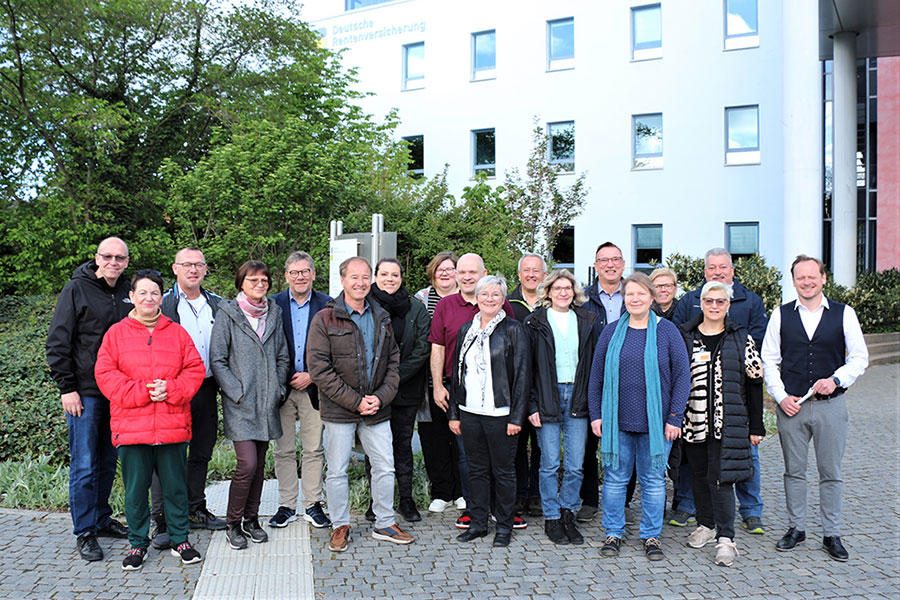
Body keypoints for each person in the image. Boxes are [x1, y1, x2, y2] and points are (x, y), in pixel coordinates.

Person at [95, 270, 207, 570]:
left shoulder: (177, 332)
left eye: (154, 293)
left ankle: (180, 539)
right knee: (135, 491)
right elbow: (105, 375)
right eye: (142, 293)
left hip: (172, 426)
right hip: (132, 428)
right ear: (131, 297)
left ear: (162, 297)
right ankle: (137, 544)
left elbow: (195, 370)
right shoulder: (116, 334)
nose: (148, 298)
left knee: (175, 488)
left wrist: (170, 389)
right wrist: (144, 392)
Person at [762, 255, 868, 562]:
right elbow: (769, 359)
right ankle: (796, 528)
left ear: (823, 278)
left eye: (812, 276)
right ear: (793, 281)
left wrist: (836, 379)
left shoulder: (844, 314)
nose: (806, 282)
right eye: (800, 277)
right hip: (791, 406)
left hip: (831, 407)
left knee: (830, 472)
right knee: (794, 472)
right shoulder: (780, 315)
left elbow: (860, 358)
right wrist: (781, 396)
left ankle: (831, 533)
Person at [307, 257, 410, 552]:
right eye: (355, 277)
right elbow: (319, 369)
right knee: (337, 470)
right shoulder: (324, 319)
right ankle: (340, 525)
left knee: (385, 467)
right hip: (339, 410)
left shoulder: (382, 316)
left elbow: (393, 362)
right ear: (342, 280)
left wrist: (380, 397)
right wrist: (355, 402)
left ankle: (385, 523)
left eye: (366, 277)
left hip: (378, 408)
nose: (361, 283)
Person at [588, 273, 690, 561]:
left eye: (641, 294)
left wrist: (674, 417)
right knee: (615, 480)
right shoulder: (610, 332)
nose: (635, 299)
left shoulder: (667, 331)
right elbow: (596, 377)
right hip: (617, 422)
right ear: (624, 298)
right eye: (629, 294)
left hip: (657, 424)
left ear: (652, 297)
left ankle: (651, 536)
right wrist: (596, 415)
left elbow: (683, 376)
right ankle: (613, 532)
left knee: (654, 481)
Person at [46, 237, 133, 562]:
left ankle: (101, 518)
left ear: (126, 261)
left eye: (119, 257)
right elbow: (58, 342)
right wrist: (67, 388)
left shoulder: (129, 291)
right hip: (84, 393)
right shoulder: (76, 289)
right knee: (84, 464)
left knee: (109, 462)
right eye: (107, 256)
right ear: (97, 258)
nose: (113, 262)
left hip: (119, 393)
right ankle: (85, 532)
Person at [671, 248, 768, 534]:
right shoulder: (689, 313)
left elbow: (755, 372)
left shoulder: (749, 305)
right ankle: (702, 520)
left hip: (733, 411)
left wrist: (757, 422)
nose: (717, 271)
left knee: (735, 467)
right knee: (700, 471)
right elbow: (677, 359)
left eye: (723, 267)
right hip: (696, 417)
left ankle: (748, 513)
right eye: (712, 267)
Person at [428, 253, 517, 530]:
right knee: (470, 457)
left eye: (472, 272)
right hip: (460, 392)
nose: (466, 276)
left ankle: (500, 512)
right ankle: (474, 509)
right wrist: (439, 385)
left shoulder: (501, 307)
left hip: (497, 397)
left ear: (483, 272)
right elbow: (438, 347)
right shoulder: (446, 305)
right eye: (461, 271)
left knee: (499, 461)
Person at [210, 261, 291, 550]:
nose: (260, 284)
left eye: (264, 280)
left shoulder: (275, 313)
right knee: (248, 464)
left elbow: (282, 355)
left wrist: (279, 388)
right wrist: (236, 392)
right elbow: (217, 358)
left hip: (268, 401)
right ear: (241, 283)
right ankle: (233, 523)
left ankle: (251, 520)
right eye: (253, 280)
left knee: (259, 467)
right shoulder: (228, 314)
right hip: (240, 404)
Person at [148, 248, 225, 551]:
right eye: (187, 265)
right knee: (166, 456)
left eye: (198, 265)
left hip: (206, 387)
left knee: (201, 452)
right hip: (171, 391)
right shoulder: (163, 304)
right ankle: (164, 520)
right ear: (175, 269)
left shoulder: (218, 305)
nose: (193, 270)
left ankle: (196, 509)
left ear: (206, 269)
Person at [448, 275, 530, 548]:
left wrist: (517, 417)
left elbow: (522, 376)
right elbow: (457, 375)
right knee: (477, 470)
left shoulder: (513, 329)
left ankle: (504, 526)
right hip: (470, 412)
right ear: (477, 298)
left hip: (501, 414)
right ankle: (479, 523)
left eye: (496, 295)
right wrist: (454, 414)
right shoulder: (465, 330)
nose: (490, 299)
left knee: (504, 472)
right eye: (485, 294)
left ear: (503, 298)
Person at [524, 269, 598, 545]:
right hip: (547, 396)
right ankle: (552, 517)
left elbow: (594, 365)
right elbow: (527, 369)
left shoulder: (587, 321)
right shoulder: (535, 322)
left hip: (578, 397)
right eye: (558, 288)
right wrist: (531, 404)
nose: (563, 293)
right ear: (549, 292)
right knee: (549, 463)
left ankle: (568, 512)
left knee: (576, 464)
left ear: (574, 292)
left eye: (568, 288)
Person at [268, 251, 332, 530]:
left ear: (314, 274)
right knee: (282, 450)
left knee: (313, 449)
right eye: (294, 272)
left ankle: (312, 504)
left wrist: (312, 375)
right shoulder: (273, 305)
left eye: (305, 271)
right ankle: (286, 505)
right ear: (286, 276)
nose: (300, 277)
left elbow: (335, 350)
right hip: (281, 388)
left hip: (314, 388)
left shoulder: (328, 305)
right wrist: (285, 376)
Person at [365, 258, 431, 523]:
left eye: (394, 274)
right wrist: (381, 382)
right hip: (373, 391)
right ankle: (375, 502)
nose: (389, 279)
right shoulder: (364, 303)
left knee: (402, 447)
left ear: (401, 277)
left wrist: (395, 378)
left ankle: (406, 500)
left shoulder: (415, 308)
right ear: (376, 276)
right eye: (384, 274)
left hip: (405, 390)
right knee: (374, 449)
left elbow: (422, 348)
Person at [578, 242, 628, 523]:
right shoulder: (582, 298)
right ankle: (589, 500)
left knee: (627, 441)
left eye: (615, 259)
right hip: (591, 378)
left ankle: (624, 502)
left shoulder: (634, 294)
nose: (610, 265)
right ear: (596, 266)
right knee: (587, 442)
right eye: (604, 260)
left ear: (623, 264)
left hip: (629, 380)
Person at [415, 252, 464, 513]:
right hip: (428, 381)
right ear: (432, 272)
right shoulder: (421, 299)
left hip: (462, 381)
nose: (445, 273)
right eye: (439, 269)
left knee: (460, 436)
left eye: (450, 269)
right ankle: (441, 492)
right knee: (433, 436)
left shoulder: (469, 297)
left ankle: (461, 491)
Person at [507, 253, 546, 517]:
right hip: (514, 383)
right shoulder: (507, 303)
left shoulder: (553, 303)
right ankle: (520, 493)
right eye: (526, 270)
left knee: (543, 443)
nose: (531, 275)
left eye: (536, 270)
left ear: (544, 274)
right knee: (518, 442)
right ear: (519, 274)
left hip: (545, 385)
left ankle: (537, 494)